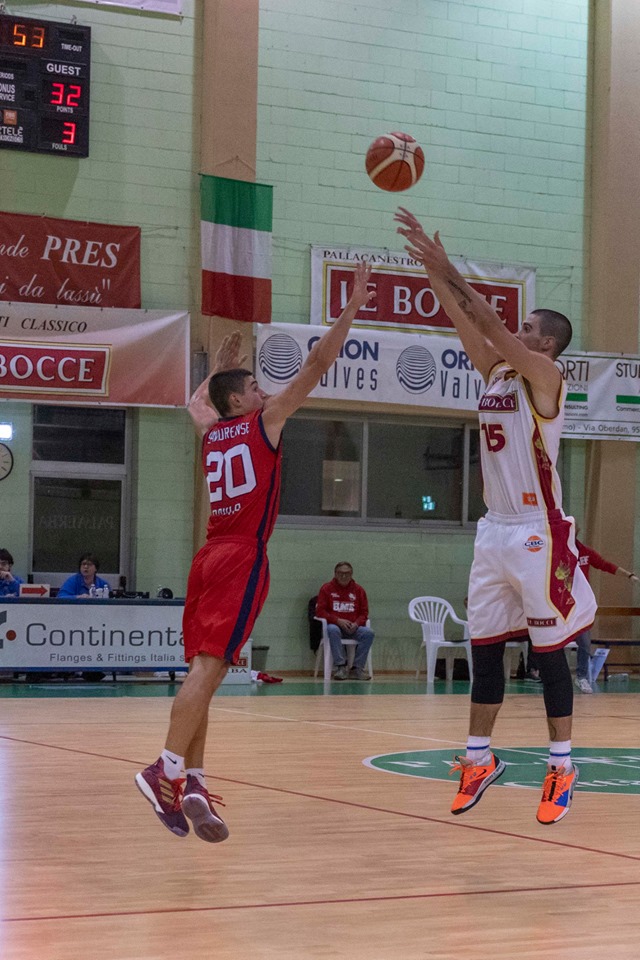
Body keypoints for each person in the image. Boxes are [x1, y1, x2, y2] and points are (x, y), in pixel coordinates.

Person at [135, 262, 375, 842]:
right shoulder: (263, 423)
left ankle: (193, 779)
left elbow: (197, 402)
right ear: (242, 401)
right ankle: (163, 769)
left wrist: (216, 372)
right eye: (255, 388)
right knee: (210, 669)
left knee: (206, 672)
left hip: (208, 555)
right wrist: (351, 308)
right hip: (242, 555)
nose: (265, 392)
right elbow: (316, 366)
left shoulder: (212, 431)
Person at [395, 207, 597, 826]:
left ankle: (562, 765)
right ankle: (480, 758)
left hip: (538, 530)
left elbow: (488, 322)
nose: (519, 329)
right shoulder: (498, 372)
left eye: (528, 327)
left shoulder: (546, 376)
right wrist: (433, 275)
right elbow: (467, 323)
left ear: (547, 343)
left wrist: (450, 268)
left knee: (548, 654)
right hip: (494, 530)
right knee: (482, 650)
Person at [315, 562, 374, 680]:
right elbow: (320, 611)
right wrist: (337, 620)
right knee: (332, 629)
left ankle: (357, 668)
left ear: (351, 574)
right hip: (335, 627)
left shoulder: (359, 590)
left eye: (347, 573)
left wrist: (356, 623)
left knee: (368, 633)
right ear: (335, 574)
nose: (344, 576)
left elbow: (364, 613)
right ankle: (340, 666)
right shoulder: (326, 589)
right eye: (340, 573)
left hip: (353, 628)